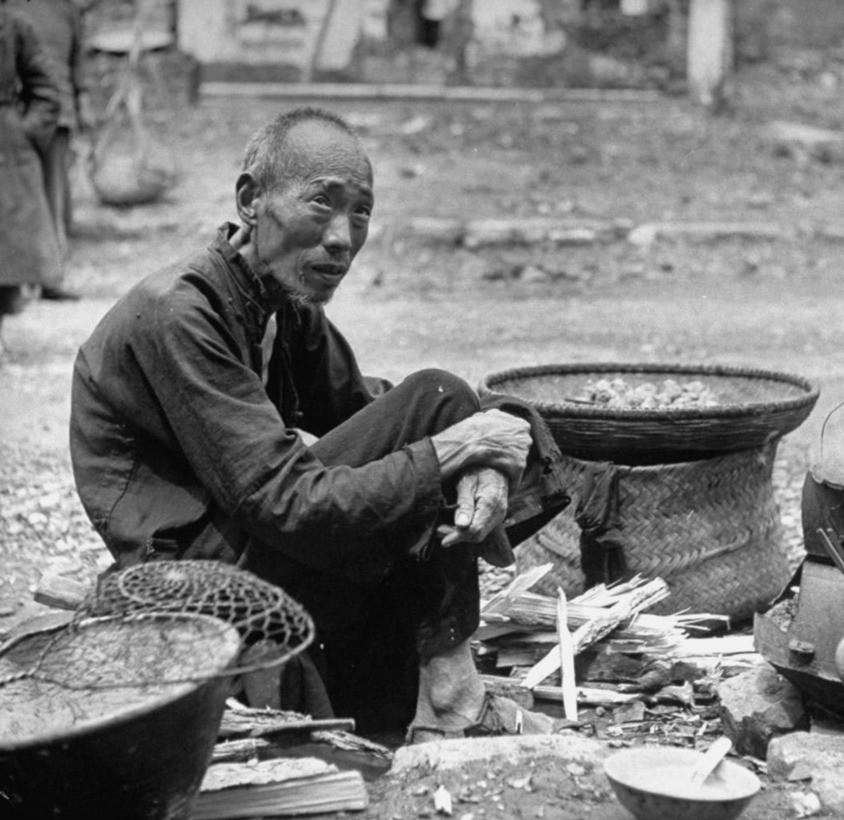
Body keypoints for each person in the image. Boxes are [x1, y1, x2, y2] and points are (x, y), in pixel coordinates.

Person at [70, 106, 569, 741]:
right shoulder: (179, 314)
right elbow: (283, 499)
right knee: (439, 404)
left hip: (253, 550)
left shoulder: (284, 305)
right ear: (252, 200)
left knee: (449, 414)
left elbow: (371, 415)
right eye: (322, 204)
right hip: (189, 587)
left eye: (360, 211)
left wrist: (492, 435)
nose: (342, 236)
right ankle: (450, 695)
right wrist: (454, 447)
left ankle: (441, 695)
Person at [10, 0, 95, 300]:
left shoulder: (66, 9)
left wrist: (82, 104)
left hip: (51, 114)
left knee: (52, 193)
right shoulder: (12, 10)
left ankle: (51, 275)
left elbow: (77, 62)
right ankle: (20, 278)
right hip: (19, 116)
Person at [0, 1, 62, 330]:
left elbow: (47, 89)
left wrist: (25, 132)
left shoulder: (14, 25)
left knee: (5, 257)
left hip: (5, 151)